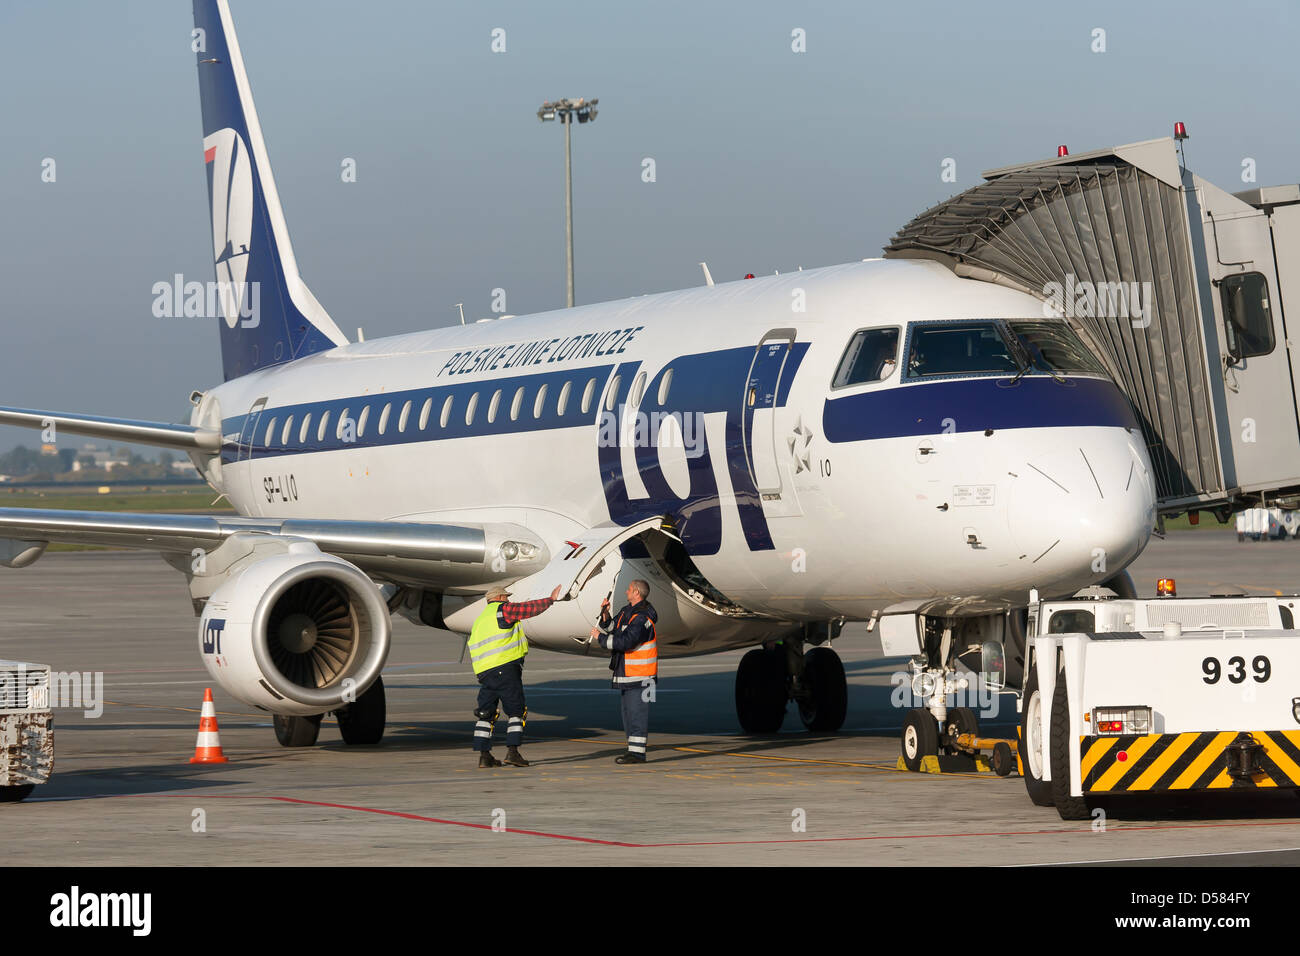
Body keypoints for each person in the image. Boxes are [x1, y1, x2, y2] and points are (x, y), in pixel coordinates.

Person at [468, 584, 561, 768]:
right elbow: (528, 609)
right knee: (516, 712)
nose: (508, 600)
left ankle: (484, 755)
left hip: (486, 673)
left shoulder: (480, 620)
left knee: (486, 713)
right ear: (500, 598)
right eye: (506, 597)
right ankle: (513, 751)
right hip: (505, 669)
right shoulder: (502, 610)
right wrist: (550, 600)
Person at [590, 579, 658, 764]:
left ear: (636, 592)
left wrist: (600, 638)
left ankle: (637, 754)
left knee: (637, 715)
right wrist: (605, 615)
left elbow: (627, 642)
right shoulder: (628, 611)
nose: (626, 591)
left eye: (629, 589)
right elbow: (614, 629)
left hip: (642, 676)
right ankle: (633, 751)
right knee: (629, 714)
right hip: (628, 674)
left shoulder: (643, 618)